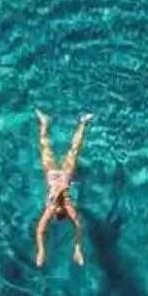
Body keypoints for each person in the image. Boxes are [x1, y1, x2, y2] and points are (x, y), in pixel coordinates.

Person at [35, 110, 91, 269]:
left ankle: (45, 122)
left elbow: (40, 231)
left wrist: (41, 251)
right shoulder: (68, 208)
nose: (58, 208)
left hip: (52, 175)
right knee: (75, 149)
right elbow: (79, 226)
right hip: (65, 175)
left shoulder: (50, 209)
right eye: (61, 210)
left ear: (54, 214)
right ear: (64, 212)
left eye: (56, 210)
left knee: (45, 146)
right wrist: (78, 247)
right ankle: (82, 122)